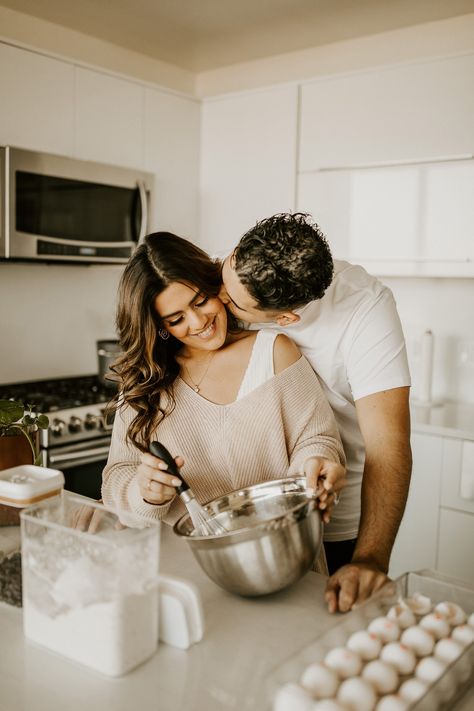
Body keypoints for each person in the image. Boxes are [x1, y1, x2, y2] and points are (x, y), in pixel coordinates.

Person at [102, 232, 346, 571]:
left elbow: (316, 438)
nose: (199, 322)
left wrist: (316, 461)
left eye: (201, 300)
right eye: (176, 319)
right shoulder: (144, 385)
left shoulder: (273, 352)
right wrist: (143, 492)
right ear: (159, 327)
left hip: (281, 558)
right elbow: (116, 477)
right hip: (186, 570)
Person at [218, 212, 412, 614]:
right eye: (226, 269)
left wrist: (370, 559)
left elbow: (388, 443)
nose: (216, 301)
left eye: (233, 303)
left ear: (286, 320)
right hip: (242, 507)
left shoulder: (366, 310)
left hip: (331, 512)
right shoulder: (230, 275)